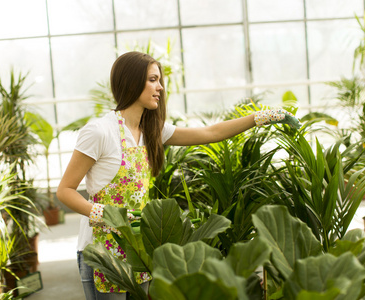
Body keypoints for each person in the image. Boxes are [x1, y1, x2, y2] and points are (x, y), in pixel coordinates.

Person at [56, 51, 300, 300]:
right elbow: (65, 191)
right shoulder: (99, 131)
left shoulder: (152, 130)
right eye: (152, 79)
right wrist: (112, 216)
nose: (160, 87)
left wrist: (262, 117)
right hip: (102, 251)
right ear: (131, 81)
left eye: (159, 80)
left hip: (137, 249)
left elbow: (210, 133)